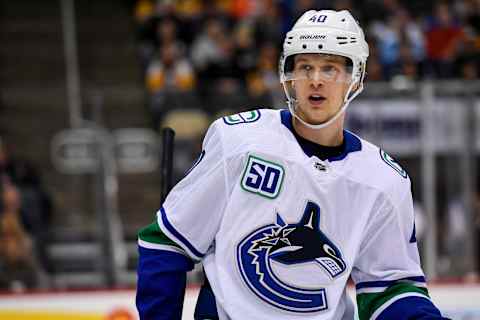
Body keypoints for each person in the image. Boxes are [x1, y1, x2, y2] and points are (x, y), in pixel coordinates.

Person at [136, 9, 447, 320]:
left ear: (356, 78)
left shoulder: (383, 180)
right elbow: (166, 244)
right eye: (305, 67)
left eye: (330, 69)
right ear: (288, 74)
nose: (315, 80)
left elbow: (391, 288)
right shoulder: (238, 141)